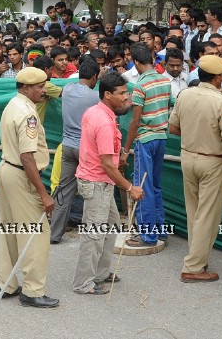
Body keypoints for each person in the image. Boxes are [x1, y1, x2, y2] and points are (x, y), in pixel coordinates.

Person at [168, 54, 222, 282]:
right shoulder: (221, 102)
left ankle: (197, 256)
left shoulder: (185, 94)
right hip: (212, 160)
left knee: (194, 212)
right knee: (207, 215)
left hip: (187, 157)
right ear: (219, 79)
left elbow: (174, 128)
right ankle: (194, 266)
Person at [72, 72, 144, 295]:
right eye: (122, 93)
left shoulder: (97, 112)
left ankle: (101, 273)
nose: (126, 97)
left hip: (100, 181)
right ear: (107, 94)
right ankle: (83, 283)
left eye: (126, 92)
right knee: (94, 234)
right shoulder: (103, 121)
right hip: (97, 182)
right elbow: (108, 165)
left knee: (111, 226)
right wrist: (130, 187)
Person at [0, 67, 57, 309]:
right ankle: (32, 290)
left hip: (6, 169)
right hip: (22, 174)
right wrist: (43, 193)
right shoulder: (29, 115)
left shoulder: (13, 104)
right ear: (26, 88)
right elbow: (28, 157)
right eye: (40, 87)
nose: (44, 90)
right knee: (36, 232)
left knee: (9, 228)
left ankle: (7, 283)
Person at [120, 43, 172, 248]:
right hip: (161, 137)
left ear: (136, 62)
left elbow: (135, 121)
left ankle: (148, 236)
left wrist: (126, 150)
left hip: (145, 139)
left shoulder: (140, 86)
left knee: (142, 187)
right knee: (156, 186)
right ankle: (160, 230)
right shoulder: (165, 80)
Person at [49, 60, 100, 244]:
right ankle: (94, 235)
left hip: (68, 147)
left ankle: (54, 234)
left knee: (64, 191)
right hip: (86, 149)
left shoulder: (68, 89)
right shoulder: (95, 97)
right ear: (94, 77)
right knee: (94, 191)